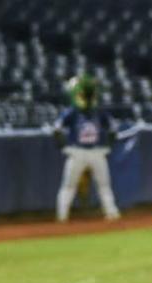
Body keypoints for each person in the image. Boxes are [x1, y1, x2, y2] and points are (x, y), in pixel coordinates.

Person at [53, 73, 120, 222]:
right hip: (77, 151)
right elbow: (56, 129)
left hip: (96, 151)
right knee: (69, 185)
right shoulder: (72, 111)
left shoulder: (99, 111)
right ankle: (62, 216)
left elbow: (113, 129)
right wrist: (64, 147)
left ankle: (112, 213)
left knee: (104, 185)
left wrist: (108, 146)